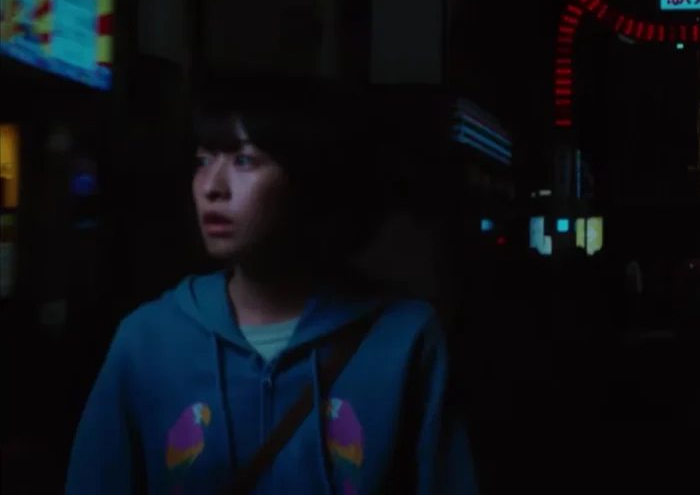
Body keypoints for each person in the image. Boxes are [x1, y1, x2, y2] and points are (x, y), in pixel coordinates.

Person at [65, 71, 477, 495]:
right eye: (203, 161)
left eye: (244, 161)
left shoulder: (405, 339)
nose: (212, 187)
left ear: (309, 179)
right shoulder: (147, 339)